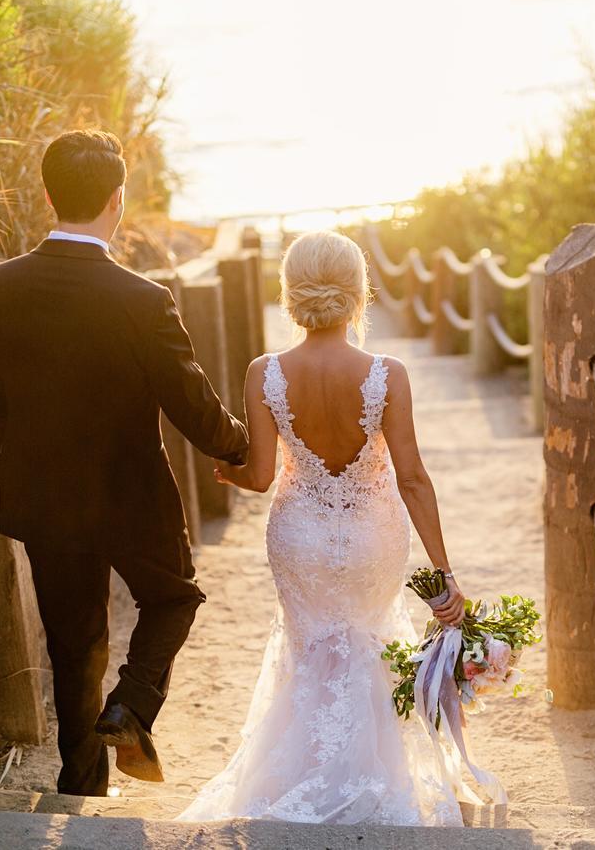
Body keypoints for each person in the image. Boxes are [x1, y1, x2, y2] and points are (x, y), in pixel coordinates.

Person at [0, 129, 249, 796]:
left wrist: (12, 471)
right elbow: (192, 404)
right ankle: (132, 704)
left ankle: (81, 783)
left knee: (73, 641)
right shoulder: (142, 300)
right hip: (134, 497)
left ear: (47, 194)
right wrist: (241, 447)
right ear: (117, 201)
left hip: (43, 500)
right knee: (174, 595)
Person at [176, 230, 466, 825]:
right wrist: (443, 575)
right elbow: (411, 477)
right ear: (359, 292)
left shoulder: (266, 373)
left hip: (300, 534)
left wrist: (230, 476)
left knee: (308, 651)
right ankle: (375, 780)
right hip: (371, 535)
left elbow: (259, 476)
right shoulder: (388, 373)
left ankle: (296, 778)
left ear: (289, 293)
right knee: (370, 641)